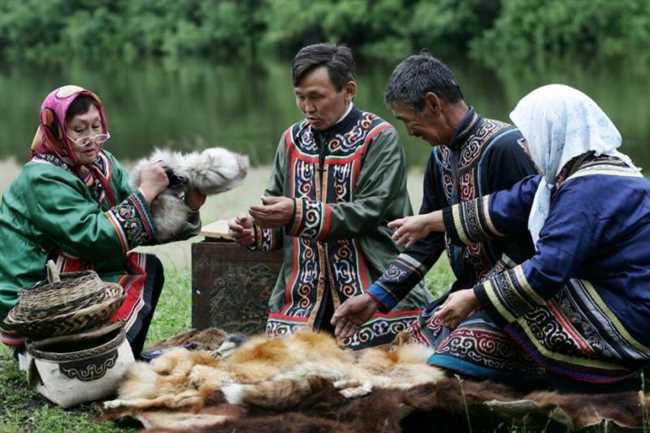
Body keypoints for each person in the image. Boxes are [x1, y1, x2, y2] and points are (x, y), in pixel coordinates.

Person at [362, 84, 650, 387]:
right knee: (489, 306)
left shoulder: (588, 188)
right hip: (618, 297)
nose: (525, 145)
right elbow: (510, 202)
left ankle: (598, 375)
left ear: (554, 133)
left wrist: (476, 296)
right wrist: (430, 223)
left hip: (632, 315)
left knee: (520, 302)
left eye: (530, 135)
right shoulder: (578, 175)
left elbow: (548, 270)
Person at [332, 54, 542, 383]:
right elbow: (427, 239)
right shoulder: (440, 156)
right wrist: (374, 297)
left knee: (443, 362)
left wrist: (479, 297)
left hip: (516, 301)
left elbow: (531, 245)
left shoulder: (507, 147)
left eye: (406, 120)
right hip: (465, 296)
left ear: (432, 104)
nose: (410, 132)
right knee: (399, 353)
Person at [228, 43, 433, 349]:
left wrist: (297, 213)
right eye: (300, 96)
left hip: (373, 292)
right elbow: (273, 207)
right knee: (286, 369)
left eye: (316, 97)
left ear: (348, 90)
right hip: (301, 299)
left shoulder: (379, 137)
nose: (308, 107)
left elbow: (369, 211)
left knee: (377, 364)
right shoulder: (291, 140)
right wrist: (256, 230)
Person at [0, 85, 205, 356]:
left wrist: (187, 203)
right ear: (57, 131)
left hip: (67, 272)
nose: (92, 137)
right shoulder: (41, 178)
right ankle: (92, 356)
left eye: (96, 126)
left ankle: (118, 356)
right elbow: (92, 238)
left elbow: (140, 221)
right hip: (32, 297)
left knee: (147, 268)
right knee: (126, 266)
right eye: (79, 129)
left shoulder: (102, 164)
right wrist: (146, 192)